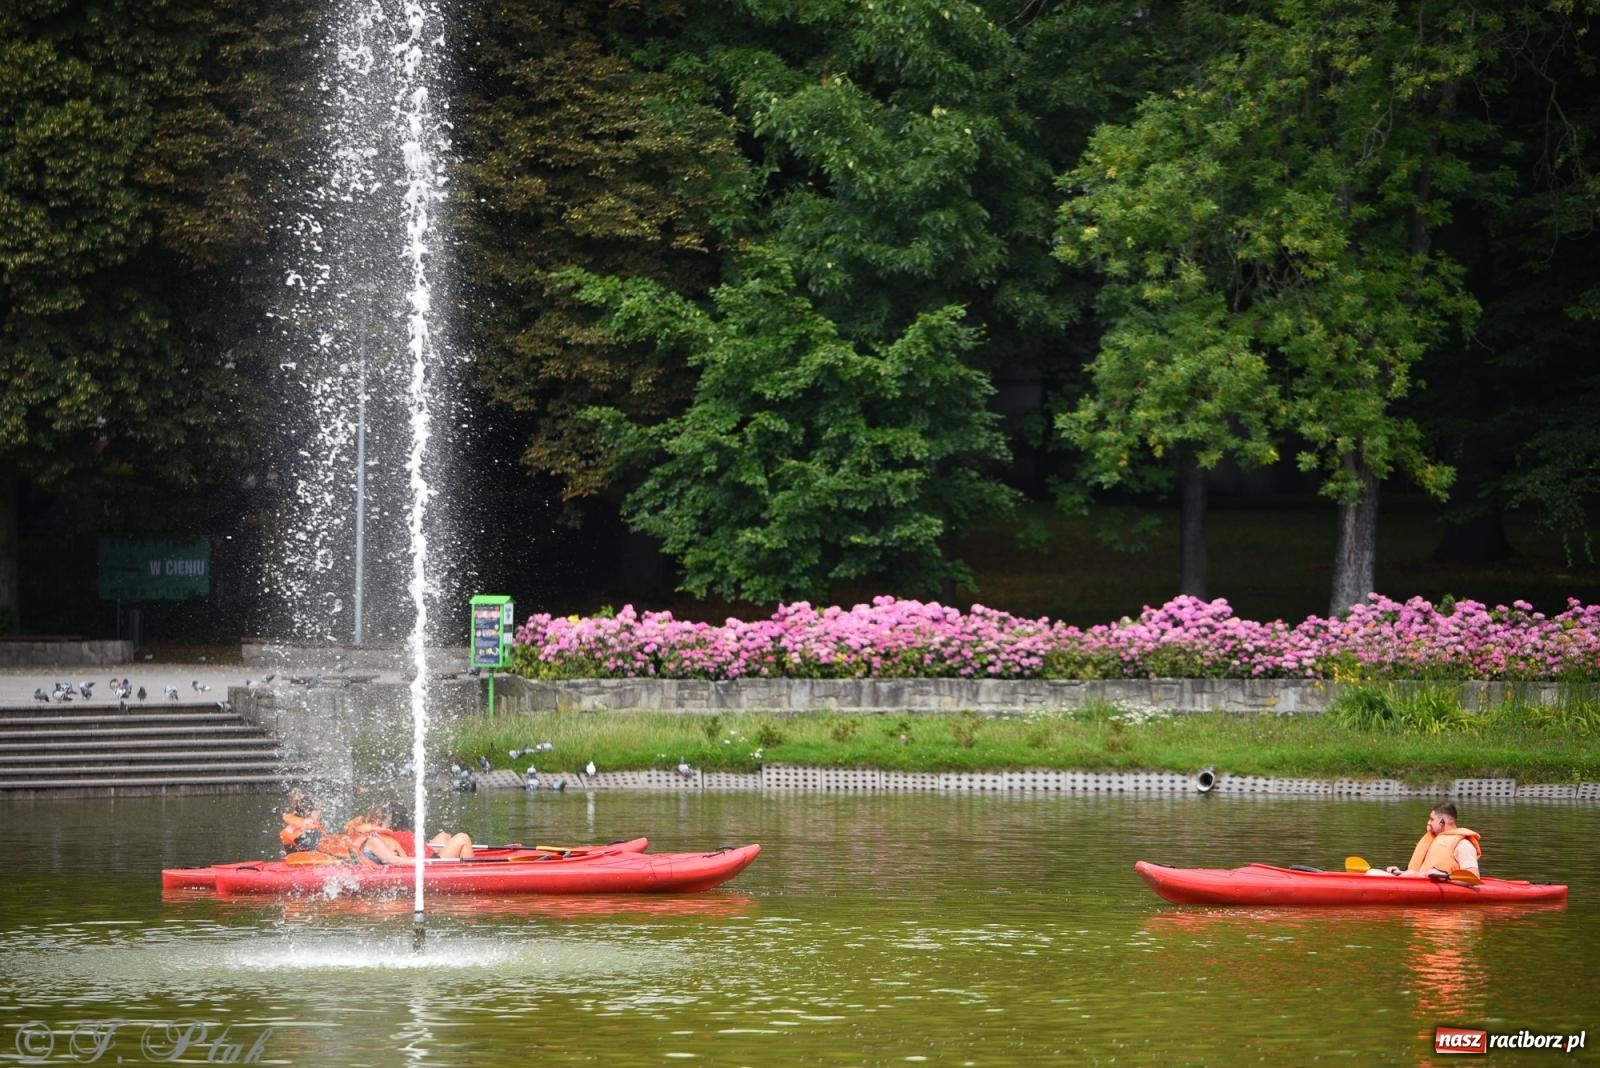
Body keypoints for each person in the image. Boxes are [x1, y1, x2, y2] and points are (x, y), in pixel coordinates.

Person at [1368, 803, 1481, 878]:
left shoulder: (1463, 844)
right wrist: (1400, 872)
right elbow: (1420, 872)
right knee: (1372, 872)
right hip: (1420, 882)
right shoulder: (1433, 840)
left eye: (1432, 819)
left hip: (1440, 884)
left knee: (1372, 874)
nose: (1428, 823)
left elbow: (1473, 876)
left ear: (1442, 821)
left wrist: (1444, 876)